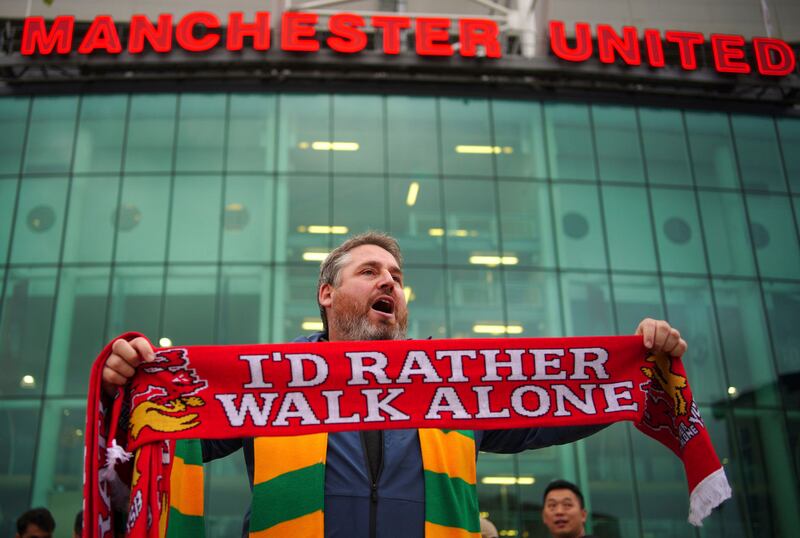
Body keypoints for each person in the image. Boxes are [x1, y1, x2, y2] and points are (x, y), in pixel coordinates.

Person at [101, 231, 688, 537]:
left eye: (398, 276)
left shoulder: (454, 383)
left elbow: (560, 405)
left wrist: (635, 369)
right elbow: (172, 441)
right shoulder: (267, 381)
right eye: (371, 270)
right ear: (326, 294)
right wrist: (123, 390)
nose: (391, 282)